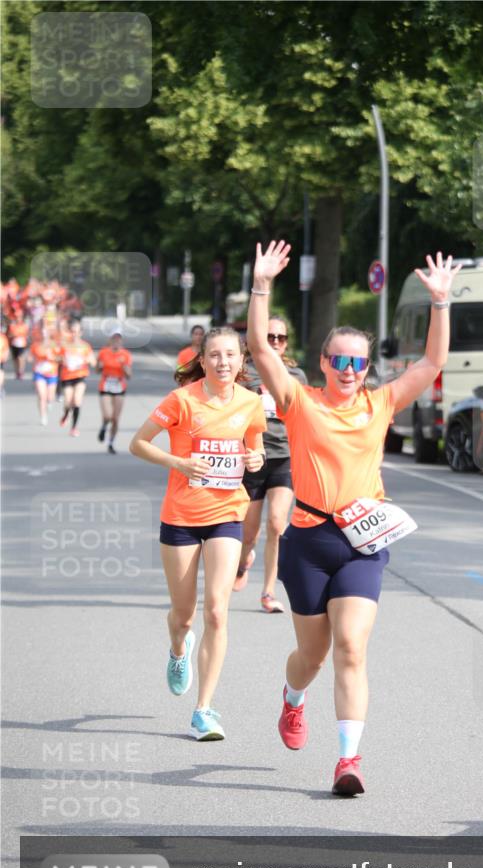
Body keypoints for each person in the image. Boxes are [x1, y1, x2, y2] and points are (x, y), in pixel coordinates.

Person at [247, 240, 460, 795]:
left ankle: (348, 761)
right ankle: (293, 698)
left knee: (351, 647)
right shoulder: (299, 401)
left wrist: (441, 302)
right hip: (308, 542)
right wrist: (261, 285)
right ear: (323, 363)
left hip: (362, 544)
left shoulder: (380, 403)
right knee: (312, 655)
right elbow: (260, 349)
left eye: (357, 362)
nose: (347, 369)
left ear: (367, 368)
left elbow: (432, 363)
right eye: (338, 360)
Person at [129, 327, 266, 740]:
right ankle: (178, 649)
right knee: (184, 615)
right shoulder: (182, 400)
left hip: (227, 513)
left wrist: (256, 459)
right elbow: (138, 444)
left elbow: (256, 448)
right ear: (202, 361)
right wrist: (179, 463)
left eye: (231, 355)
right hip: (181, 516)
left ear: (241, 361)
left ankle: (204, 709)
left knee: (217, 611)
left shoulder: (251, 402)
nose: (223, 362)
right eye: (215, 355)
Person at [233, 315, 308, 612]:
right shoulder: (244, 373)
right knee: (249, 533)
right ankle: (242, 563)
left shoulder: (296, 375)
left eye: (281, 337)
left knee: (277, 524)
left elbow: (305, 414)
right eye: (270, 337)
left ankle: (268, 592)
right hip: (252, 457)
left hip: (285, 456)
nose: (275, 342)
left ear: (286, 343)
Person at [97, 332, 133, 453]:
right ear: (110, 341)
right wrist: (100, 366)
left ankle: (111, 442)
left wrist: (124, 367)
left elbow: (129, 376)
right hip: (105, 386)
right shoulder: (103, 352)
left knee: (115, 419)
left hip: (119, 387)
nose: (116, 342)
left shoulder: (126, 354)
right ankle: (104, 426)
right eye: (114, 340)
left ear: (121, 342)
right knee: (107, 415)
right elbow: (97, 370)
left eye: (118, 340)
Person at [59, 320, 95, 437]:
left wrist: (88, 360)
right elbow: (57, 357)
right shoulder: (65, 345)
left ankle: (74, 428)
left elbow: (93, 361)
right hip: (67, 376)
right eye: (72, 331)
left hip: (80, 376)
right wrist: (62, 360)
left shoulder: (85, 346)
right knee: (68, 401)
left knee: (77, 401)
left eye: (77, 332)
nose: (74, 334)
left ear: (81, 333)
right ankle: (66, 414)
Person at [30, 329, 60, 425]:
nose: (44, 336)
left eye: (45, 335)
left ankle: (50, 402)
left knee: (50, 396)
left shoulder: (54, 346)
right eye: (42, 334)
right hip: (39, 373)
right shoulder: (35, 345)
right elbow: (30, 357)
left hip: (52, 373)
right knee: (41, 395)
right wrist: (33, 359)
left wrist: (53, 357)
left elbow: (61, 358)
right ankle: (43, 416)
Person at [8, 309, 30, 379]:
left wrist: (22, 336)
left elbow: (27, 335)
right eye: (16, 317)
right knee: (15, 359)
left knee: (20, 358)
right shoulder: (12, 326)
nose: (18, 319)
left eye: (19, 317)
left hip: (22, 344)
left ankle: (21, 371)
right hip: (14, 344)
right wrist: (13, 335)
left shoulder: (24, 326)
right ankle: (17, 371)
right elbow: (9, 335)